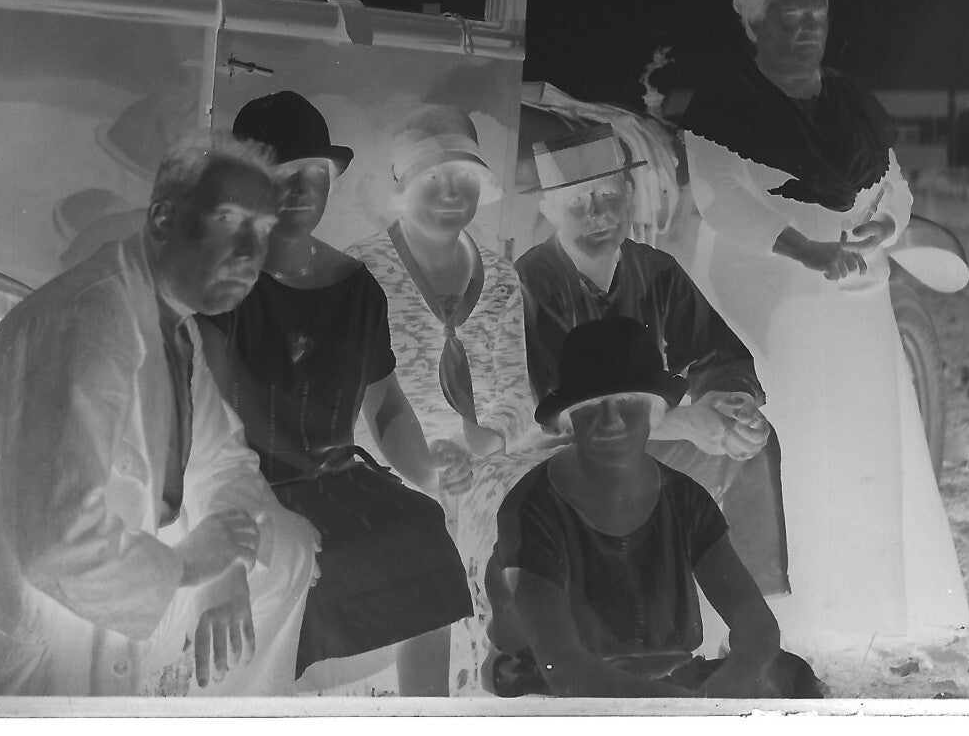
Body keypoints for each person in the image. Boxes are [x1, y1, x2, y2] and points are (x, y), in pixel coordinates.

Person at [0, 136, 318, 696]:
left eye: (263, 228)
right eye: (227, 219)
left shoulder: (173, 325)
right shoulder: (92, 320)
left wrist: (225, 571)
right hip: (20, 645)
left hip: (106, 602)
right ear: (162, 218)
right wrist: (187, 568)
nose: (250, 251)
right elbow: (60, 547)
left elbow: (223, 461)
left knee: (287, 548)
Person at [680, 0, 969, 654]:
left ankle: (866, 608)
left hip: (859, 294)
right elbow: (723, 200)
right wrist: (808, 251)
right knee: (798, 446)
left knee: (866, 448)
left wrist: (880, 229)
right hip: (768, 288)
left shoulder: (850, 99)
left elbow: (893, 184)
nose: (807, 27)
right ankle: (796, 616)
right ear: (755, 23)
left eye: (817, 14)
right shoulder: (724, 101)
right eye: (790, 15)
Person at [202, 91, 473, 695]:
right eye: (280, 175)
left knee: (422, 528)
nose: (299, 189)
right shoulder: (222, 282)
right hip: (249, 483)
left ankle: (424, 716)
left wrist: (426, 465)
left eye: (314, 175)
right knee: (301, 569)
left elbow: (387, 404)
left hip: (335, 475)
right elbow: (209, 424)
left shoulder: (357, 288)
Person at [515, 122, 789, 597]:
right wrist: (684, 424)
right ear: (549, 210)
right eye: (577, 200)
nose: (597, 213)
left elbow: (715, 353)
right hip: (567, 451)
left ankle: (753, 619)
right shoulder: (534, 281)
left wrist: (734, 408)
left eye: (607, 194)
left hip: (645, 440)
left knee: (754, 449)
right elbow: (558, 412)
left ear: (629, 194)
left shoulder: (655, 270)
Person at [485, 318, 823, 699]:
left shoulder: (684, 499)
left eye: (627, 401)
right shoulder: (533, 509)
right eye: (591, 405)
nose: (609, 421)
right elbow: (564, 669)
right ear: (568, 419)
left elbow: (756, 624)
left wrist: (728, 684)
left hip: (668, 682)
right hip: (559, 693)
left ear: (656, 413)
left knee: (788, 677)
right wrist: (685, 709)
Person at [346, 105, 551, 695]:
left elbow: (516, 391)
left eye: (463, 178)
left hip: (488, 452)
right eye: (432, 178)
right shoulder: (361, 271)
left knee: (541, 511)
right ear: (400, 187)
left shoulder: (502, 278)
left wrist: (484, 442)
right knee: (425, 535)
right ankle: (426, 707)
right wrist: (426, 460)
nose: (449, 193)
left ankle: (522, 674)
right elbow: (357, 397)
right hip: (388, 456)